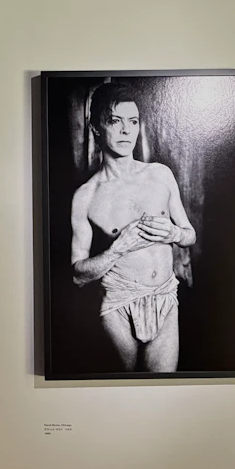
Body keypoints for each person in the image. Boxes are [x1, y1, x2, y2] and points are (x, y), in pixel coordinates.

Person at [70, 82, 196, 373]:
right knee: (121, 388)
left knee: (161, 388)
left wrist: (174, 233)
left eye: (133, 121)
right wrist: (116, 250)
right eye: (115, 121)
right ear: (96, 128)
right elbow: (77, 276)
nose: (127, 131)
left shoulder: (160, 175)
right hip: (118, 302)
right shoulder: (85, 196)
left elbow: (190, 235)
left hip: (166, 297)